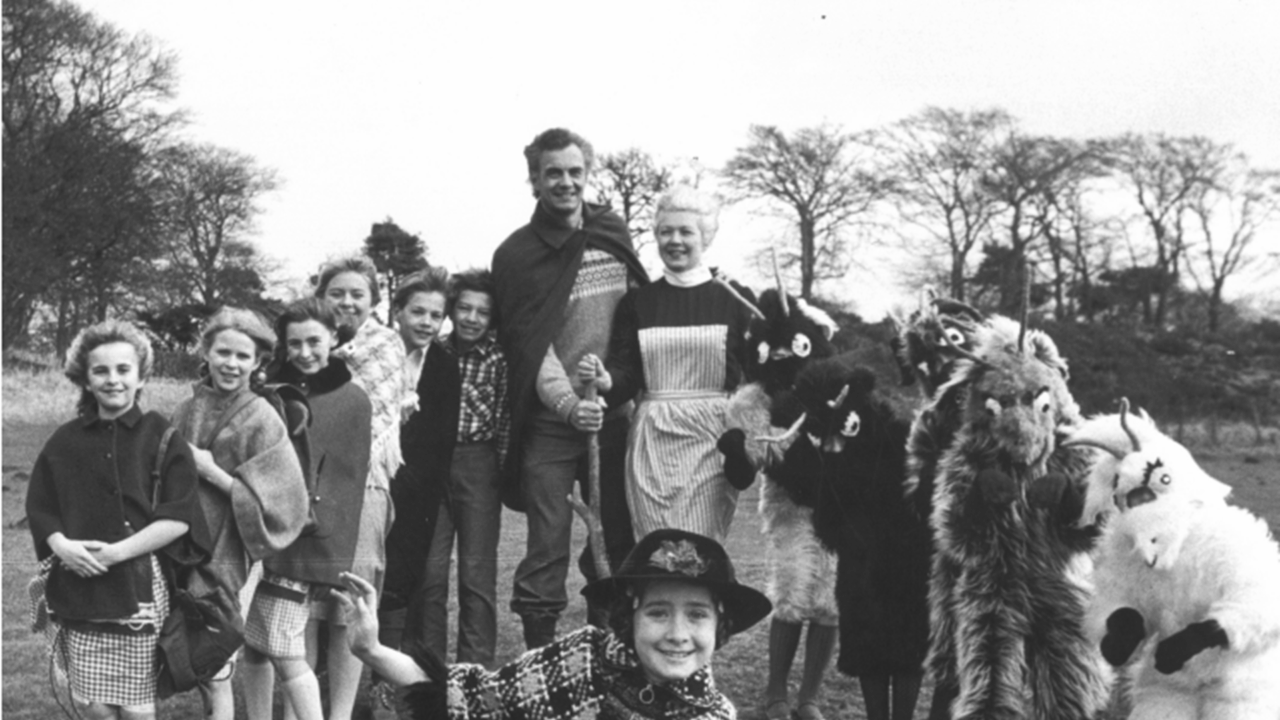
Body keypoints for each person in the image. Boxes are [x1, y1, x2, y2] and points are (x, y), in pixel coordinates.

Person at [337, 528, 773, 720]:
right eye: (659, 612)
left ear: (720, 624)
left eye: (697, 615)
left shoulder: (714, 716)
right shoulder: (582, 659)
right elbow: (469, 699)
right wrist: (371, 650)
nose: (678, 634)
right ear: (630, 616)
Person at [491, 127, 650, 648]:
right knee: (547, 544)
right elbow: (530, 348)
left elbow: (634, 327)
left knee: (613, 539)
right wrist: (567, 406)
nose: (565, 182)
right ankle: (543, 659)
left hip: (614, 418)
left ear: (588, 174)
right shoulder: (516, 255)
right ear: (534, 179)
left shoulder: (610, 232)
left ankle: (604, 653)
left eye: (574, 172)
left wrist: (615, 389)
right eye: (552, 173)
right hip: (552, 423)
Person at [26, 320, 209, 720]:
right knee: (94, 706)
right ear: (85, 379)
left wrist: (115, 554)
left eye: (123, 369)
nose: (113, 380)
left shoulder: (163, 437)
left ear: (141, 375)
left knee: (137, 708)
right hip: (79, 589)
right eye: (101, 371)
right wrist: (61, 545)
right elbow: (41, 506)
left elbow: (178, 518)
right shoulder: (65, 440)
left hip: (138, 590)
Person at [579, 185, 753, 543]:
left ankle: (702, 602)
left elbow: (756, 372)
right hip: (652, 439)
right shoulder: (638, 302)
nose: (675, 240)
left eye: (686, 231)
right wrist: (608, 381)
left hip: (712, 439)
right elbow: (627, 372)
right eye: (665, 231)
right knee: (655, 546)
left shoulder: (734, 299)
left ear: (705, 237)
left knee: (701, 546)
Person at [171, 308, 311, 720]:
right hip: (186, 545)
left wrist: (212, 472)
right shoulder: (186, 408)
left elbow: (287, 504)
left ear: (259, 361)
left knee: (217, 652)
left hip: (233, 551)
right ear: (206, 352)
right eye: (223, 352)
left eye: (242, 356)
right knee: (203, 654)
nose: (231, 364)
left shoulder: (264, 417)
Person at [267, 298, 374, 720]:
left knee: (311, 615)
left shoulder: (353, 399)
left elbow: (347, 478)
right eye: (295, 343)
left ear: (334, 337)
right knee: (285, 634)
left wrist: (327, 534)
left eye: (315, 341)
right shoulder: (271, 391)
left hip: (319, 528)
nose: (306, 352)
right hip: (272, 524)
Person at [420, 268, 511, 666]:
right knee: (429, 576)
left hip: (479, 463)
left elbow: (506, 419)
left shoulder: (499, 358)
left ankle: (474, 673)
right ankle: (428, 672)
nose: (472, 318)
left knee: (477, 578)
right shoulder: (433, 352)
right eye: (464, 309)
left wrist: (502, 474)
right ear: (452, 310)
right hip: (434, 465)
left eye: (483, 312)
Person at [383, 269, 461, 665]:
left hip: (416, 490)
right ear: (397, 311)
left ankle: (388, 683)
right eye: (418, 312)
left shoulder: (445, 367)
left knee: (403, 580)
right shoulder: (373, 355)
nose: (427, 323)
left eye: (436, 315)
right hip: (368, 482)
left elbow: (439, 441)